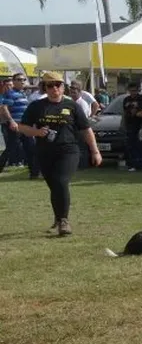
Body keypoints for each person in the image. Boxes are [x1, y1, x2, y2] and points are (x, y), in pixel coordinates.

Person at [14, 73, 101, 234]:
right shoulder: (36, 106)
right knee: (54, 186)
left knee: (60, 181)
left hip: (68, 150)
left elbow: (86, 129)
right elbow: (22, 127)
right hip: (45, 151)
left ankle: (64, 221)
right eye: (50, 85)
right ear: (45, 88)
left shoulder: (72, 106)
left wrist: (95, 151)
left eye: (58, 85)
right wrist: (37, 132)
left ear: (63, 87)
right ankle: (58, 217)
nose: (54, 88)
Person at [0, 72, 37, 177]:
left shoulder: (22, 93)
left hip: (24, 126)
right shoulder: (10, 93)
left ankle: (34, 173)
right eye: (19, 80)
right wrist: (11, 121)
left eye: (24, 80)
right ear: (14, 81)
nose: (22, 82)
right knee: (11, 149)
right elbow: (4, 108)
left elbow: (31, 86)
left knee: (30, 148)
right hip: (15, 125)